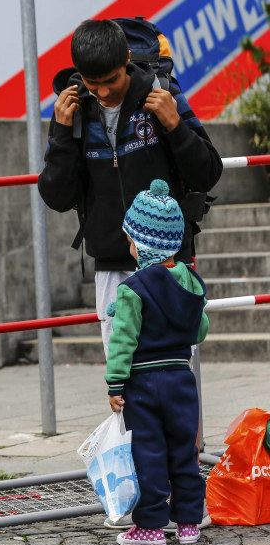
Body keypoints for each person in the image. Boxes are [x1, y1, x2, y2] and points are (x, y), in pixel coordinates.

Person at [37, 18, 222, 358]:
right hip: (111, 266)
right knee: (123, 382)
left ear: (126, 61)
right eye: (94, 84)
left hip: (169, 262)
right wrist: (62, 136)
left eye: (112, 80)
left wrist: (175, 125)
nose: (104, 92)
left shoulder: (162, 91)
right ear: (79, 72)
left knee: (177, 373)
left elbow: (208, 172)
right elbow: (56, 197)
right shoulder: (73, 109)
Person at [105, 179, 208, 545]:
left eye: (131, 240)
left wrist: (115, 385)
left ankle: (150, 527)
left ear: (141, 245)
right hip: (181, 380)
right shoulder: (191, 282)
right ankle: (189, 524)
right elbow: (200, 331)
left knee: (148, 453)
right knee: (185, 450)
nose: (129, 247)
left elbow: (123, 341)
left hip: (144, 384)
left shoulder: (132, 288)